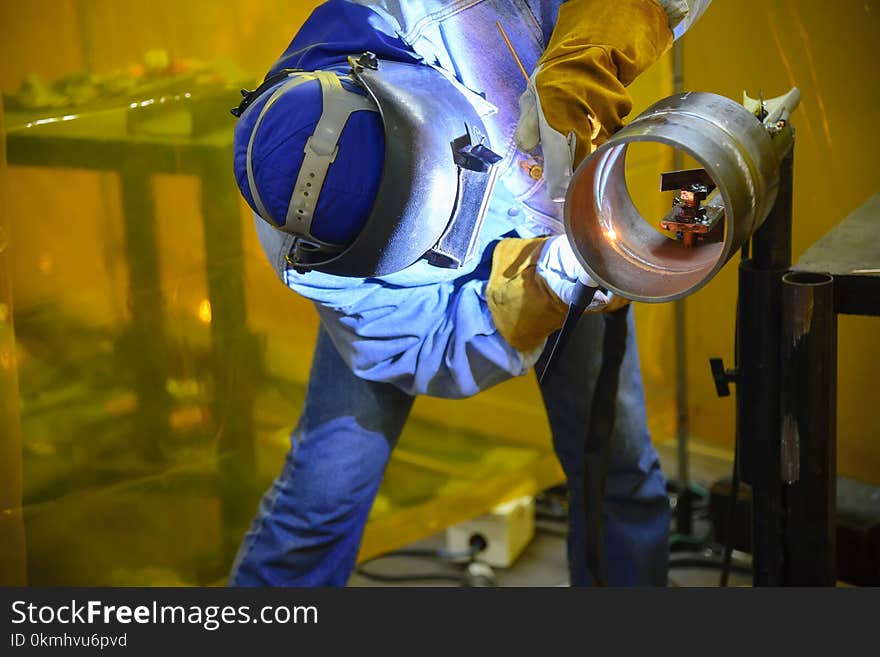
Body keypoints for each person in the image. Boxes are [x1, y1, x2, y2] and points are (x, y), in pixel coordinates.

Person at [228, 0, 711, 586]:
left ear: (386, 78)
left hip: (564, 221)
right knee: (322, 494)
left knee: (616, 467)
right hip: (527, 268)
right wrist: (544, 286)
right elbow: (424, 347)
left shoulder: (446, 14)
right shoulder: (314, 253)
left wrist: (596, 37)